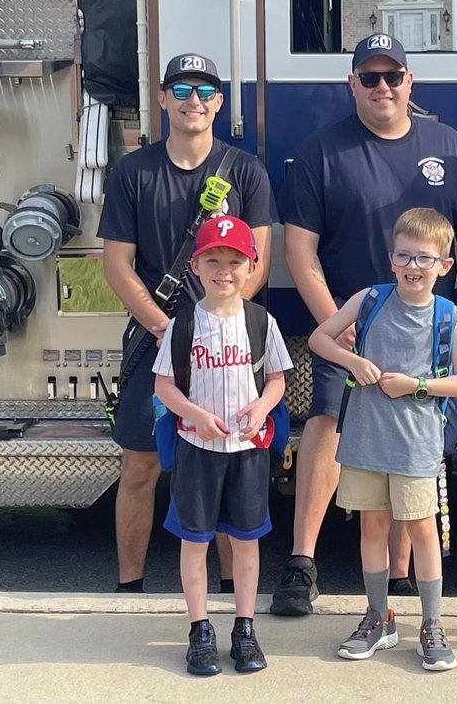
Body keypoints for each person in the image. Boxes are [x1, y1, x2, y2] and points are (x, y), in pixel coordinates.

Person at [271, 32, 457, 616]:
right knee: (327, 421)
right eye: (369, 78)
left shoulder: (449, 147)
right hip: (352, 326)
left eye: (392, 76)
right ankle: (302, 561)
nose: (382, 87)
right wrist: (336, 329)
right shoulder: (323, 151)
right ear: (352, 86)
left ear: (409, 82)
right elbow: (300, 253)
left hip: (427, 332)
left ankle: (397, 579)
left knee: (412, 443)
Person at [98, 52, 277, 595]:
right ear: (162, 100)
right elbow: (116, 265)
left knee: (223, 464)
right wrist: (165, 329)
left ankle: (227, 591)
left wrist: (213, 325)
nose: (192, 101)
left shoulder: (246, 172)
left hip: (227, 343)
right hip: (157, 342)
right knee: (141, 468)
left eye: (204, 91)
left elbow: (261, 262)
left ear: (219, 102)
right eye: (180, 90)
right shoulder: (133, 173)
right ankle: (130, 586)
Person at [309, 208, 457, 671]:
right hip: (365, 438)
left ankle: (432, 624)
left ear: (445, 265)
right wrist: (351, 360)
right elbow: (320, 339)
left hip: (416, 444)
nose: (413, 266)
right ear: (391, 259)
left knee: (423, 531)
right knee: (372, 527)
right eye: (404, 255)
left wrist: (416, 385)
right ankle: (378, 617)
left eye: (425, 258)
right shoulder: (369, 299)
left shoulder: (449, 315)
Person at [153, 216, 293, 675]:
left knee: (246, 540)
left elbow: (277, 380)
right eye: (213, 259)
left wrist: (261, 409)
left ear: (251, 266)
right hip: (198, 448)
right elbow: (164, 387)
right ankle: (199, 631)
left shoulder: (261, 321)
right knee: (195, 542)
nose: (224, 270)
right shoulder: (184, 323)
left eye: (235, 261)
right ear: (195, 265)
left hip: (248, 450)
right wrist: (194, 415)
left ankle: (245, 628)